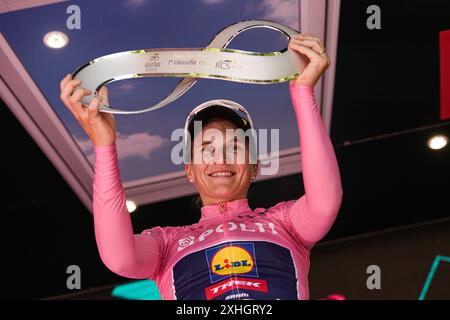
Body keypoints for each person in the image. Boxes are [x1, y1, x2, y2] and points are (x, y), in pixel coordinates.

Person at [59, 34, 342, 300]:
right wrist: (104, 145)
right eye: (206, 149)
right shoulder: (166, 244)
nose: (221, 158)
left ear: (254, 167)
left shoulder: (285, 224)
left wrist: (303, 92)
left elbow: (325, 203)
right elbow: (120, 257)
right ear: (189, 170)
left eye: (234, 147)